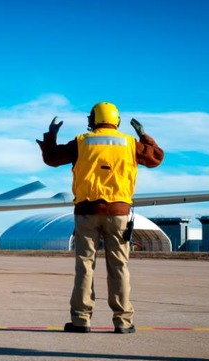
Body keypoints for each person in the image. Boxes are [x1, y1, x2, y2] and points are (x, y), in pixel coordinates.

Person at [38, 102, 164, 334]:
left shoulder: (82, 142)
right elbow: (156, 158)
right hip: (118, 213)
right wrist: (144, 135)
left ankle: (81, 320)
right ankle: (123, 322)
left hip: (86, 212)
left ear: (92, 120)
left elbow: (52, 159)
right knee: (119, 267)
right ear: (116, 121)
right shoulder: (129, 144)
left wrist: (51, 136)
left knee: (85, 266)